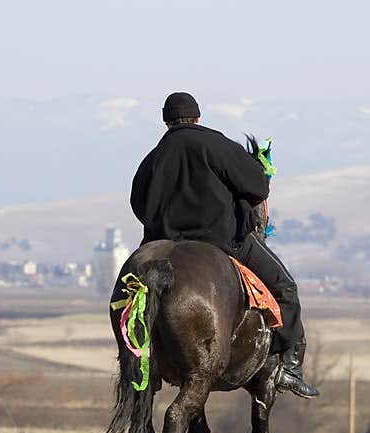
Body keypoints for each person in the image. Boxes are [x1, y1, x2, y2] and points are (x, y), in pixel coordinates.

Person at [130, 91, 319, 398]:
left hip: (158, 244)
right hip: (221, 241)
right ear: (198, 117)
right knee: (285, 288)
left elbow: (138, 203)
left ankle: (137, 360)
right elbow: (258, 187)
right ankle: (290, 366)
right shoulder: (217, 145)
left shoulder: (153, 157)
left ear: (166, 121)